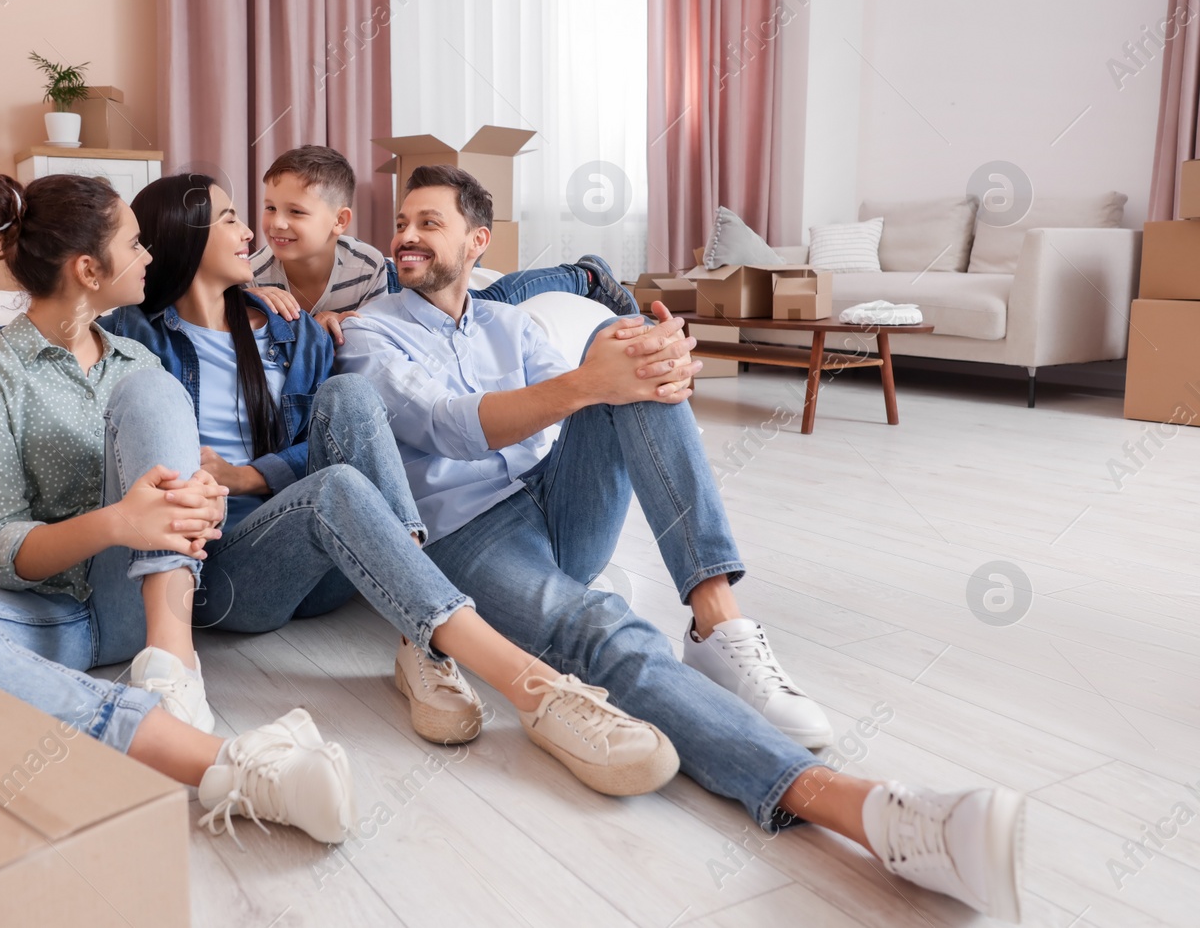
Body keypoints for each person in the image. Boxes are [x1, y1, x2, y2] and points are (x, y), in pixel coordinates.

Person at [335, 164, 1025, 921]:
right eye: (401, 222)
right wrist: (593, 383)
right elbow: (445, 425)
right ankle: (871, 813)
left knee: (628, 345)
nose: (404, 236)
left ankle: (716, 618)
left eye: (428, 222)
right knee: (606, 632)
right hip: (467, 539)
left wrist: (651, 364)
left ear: (477, 242)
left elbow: (577, 408)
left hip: (555, 506)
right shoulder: (374, 331)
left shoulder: (510, 324)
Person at [0, 171, 679, 801]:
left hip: (284, 535)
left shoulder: (278, 329)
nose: (256, 231)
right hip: (208, 560)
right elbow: (48, 330)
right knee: (260, 449)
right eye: (236, 216)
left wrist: (246, 475)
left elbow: (318, 433)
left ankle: (450, 653)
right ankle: (196, 689)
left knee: (345, 412)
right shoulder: (141, 342)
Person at [0, 172, 357, 845]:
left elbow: (174, 484)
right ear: (88, 269)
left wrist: (205, 499)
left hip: (136, 603)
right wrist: (120, 521)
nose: (151, 254)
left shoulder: (138, 360)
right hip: (40, 608)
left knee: (155, 394)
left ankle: (171, 661)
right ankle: (232, 765)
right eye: (136, 243)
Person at [244, 144, 637, 345]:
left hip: (396, 285)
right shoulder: (255, 275)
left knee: (487, 300)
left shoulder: (364, 264)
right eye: (269, 208)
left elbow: (375, 324)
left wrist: (329, 321)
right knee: (485, 290)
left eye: (296, 212)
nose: (276, 223)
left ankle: (582, 274)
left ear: (340, 222)